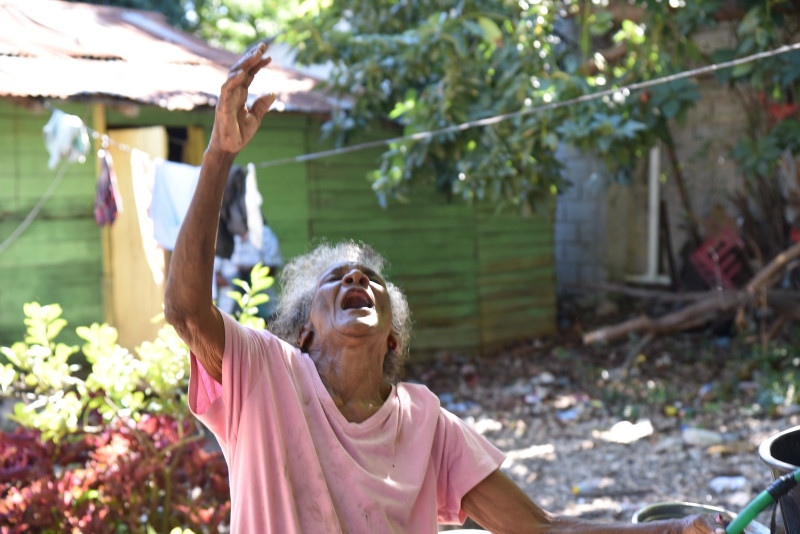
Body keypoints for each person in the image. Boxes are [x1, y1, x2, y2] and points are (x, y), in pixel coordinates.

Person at [164, 43, 726, 534]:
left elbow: (537, 527)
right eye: (337, 279)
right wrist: (219, 155)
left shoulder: (424, 421)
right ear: (305, 333)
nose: (357, 278)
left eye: (372, 281)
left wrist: (674, 531)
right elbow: (187, 311)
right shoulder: (265, 372)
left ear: (391, 341)